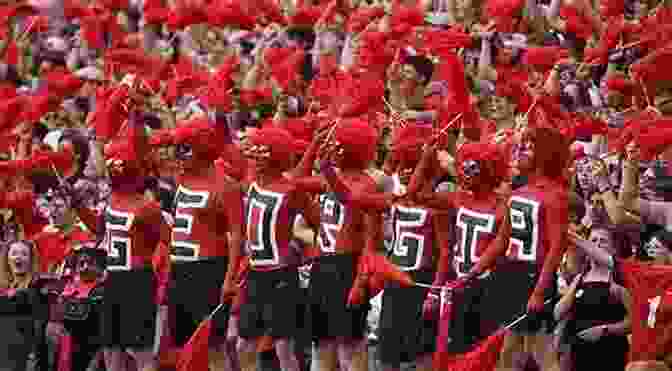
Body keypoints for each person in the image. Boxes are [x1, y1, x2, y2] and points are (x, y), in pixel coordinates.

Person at [467, 126, 571, 371]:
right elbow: (502, 241)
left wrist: (538, 292)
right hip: (511, 274)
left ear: (545, 155)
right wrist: (474, 270)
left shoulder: (556, 196)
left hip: (534, 276)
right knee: (509, 350)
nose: (520, 151)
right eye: (521, 145)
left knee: (540, 351)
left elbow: (556, 249)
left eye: (529, 147)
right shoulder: (518, 193)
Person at [554, 226, 631, 371]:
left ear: (613, 249)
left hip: (610, 353)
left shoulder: (619, 280)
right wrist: (572, 291)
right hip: (578, 354)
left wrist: (605, 330)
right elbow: (558, 313)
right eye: (593, 240)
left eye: (603, 241)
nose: (597, 244)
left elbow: (633, 322)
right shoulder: (579, 278)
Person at [0, 240, 48, 371]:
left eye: (24, 254)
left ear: (31, 260)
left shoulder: (38, 287)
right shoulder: (3, 288)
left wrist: (33, 356)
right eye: (14, 253)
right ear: (7, 258)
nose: (18, 257)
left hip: (23, 356)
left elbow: (40, 326)